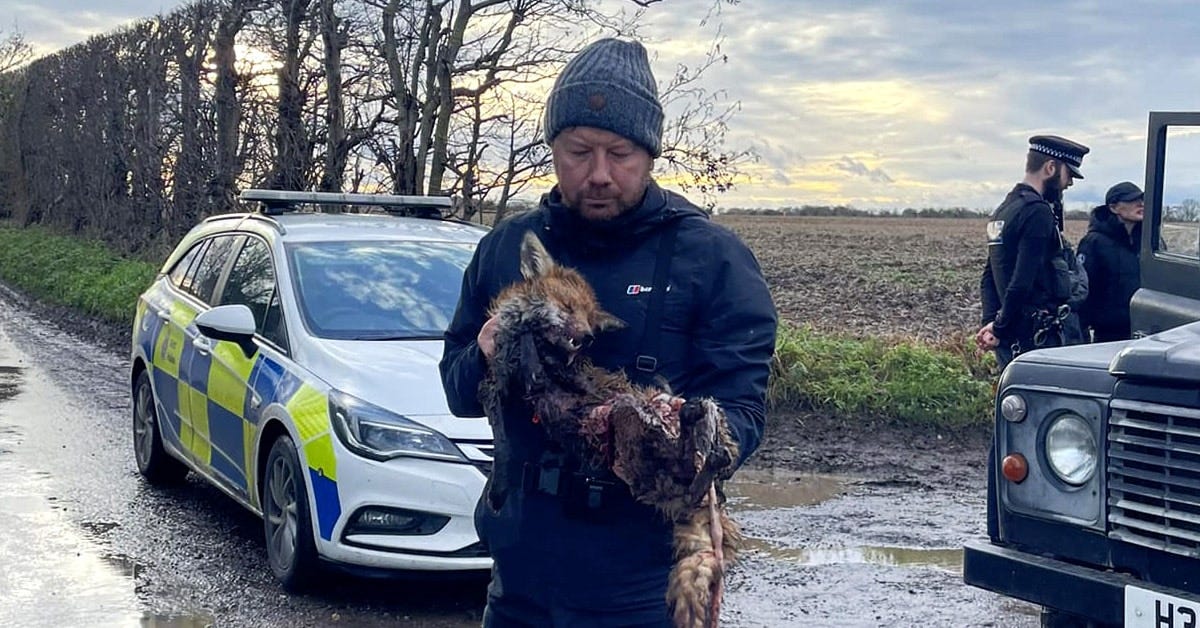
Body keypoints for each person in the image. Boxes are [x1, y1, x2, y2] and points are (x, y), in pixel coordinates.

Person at [438, 38, 777, 627]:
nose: (598, 174)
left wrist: (688, 435)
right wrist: (485, 354)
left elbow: (744, 410)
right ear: (553, 149)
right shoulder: (506, 249)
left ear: (649, 154)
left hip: (642, 586)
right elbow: (455, 388)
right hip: (521, 579)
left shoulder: (712, 258)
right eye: (578, 152)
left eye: (618, 153)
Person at [976, 135, 1090, 370]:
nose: (1069, 184)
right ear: (1050, 168)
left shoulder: (1004, 209)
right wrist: (998, 326)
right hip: (1037, 338)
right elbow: (1022, 280)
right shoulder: (1037, 211)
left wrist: (993, 323)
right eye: (1069, 175)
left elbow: (990, 275)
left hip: (1011, 336)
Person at [1078, 181, 1144, 342]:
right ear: (1113, 207)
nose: (1140, 204)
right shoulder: (1094, 243)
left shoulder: (1149, 242)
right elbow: (1084, 290)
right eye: (1131, 200)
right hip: (1108, 334)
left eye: (1142, 199)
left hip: (1143, 329)